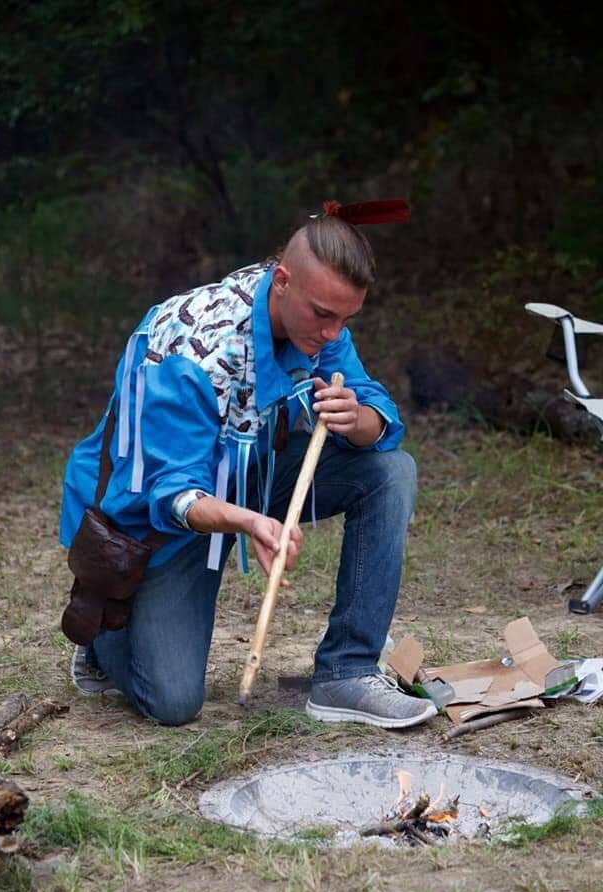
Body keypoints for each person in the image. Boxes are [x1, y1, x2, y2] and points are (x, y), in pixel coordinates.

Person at [59, 199, 437, 729]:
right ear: (281, 280)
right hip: (156, 517)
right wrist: (248, 521)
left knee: (391, 472)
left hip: (247, 481)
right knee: (172, 703)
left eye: (345, 319)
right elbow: (173, 494)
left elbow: (375, 406)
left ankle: (346, 672)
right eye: (324, 316)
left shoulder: (316, 321)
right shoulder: (193, 348)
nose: (333, 334)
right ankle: (105, 631)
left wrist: (360, 418)